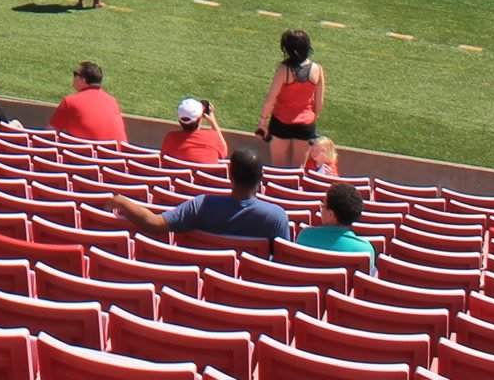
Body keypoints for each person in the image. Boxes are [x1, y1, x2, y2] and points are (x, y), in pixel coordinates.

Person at [110, 149, 292, 242]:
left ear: (230, 174)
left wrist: (120, 201)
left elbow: (153, 223)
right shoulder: (276, 217)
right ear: (261, 177)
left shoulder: (202, 205)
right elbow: (284, 265)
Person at [257, 28, 327, 167]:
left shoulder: (284, 70)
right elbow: (319, 102)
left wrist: (263, 122)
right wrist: (311, 118)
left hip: (281, 122)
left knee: (277, 166)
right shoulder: (317, 69)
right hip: (305, 124)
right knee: (298, 168)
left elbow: (271, 98)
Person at [295, 182, 376, 270]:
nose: (321, 210)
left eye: (323, 206)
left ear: (331, 215)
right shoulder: (365, 250)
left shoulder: (305, 236)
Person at [50, 59, 128, 142]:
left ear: (83, 80)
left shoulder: (70, 102)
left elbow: (50, 135)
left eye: (75, 74)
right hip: (116, 154)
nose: (73, 77)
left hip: (84, 154)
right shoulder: (113, 102)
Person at [160, 97, 229, 164]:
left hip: (176, 175)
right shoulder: (212, 137)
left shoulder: (170, 138)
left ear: (180, 120)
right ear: (199, 118)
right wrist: (212, 120)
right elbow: (224, 152)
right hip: (203, 175)